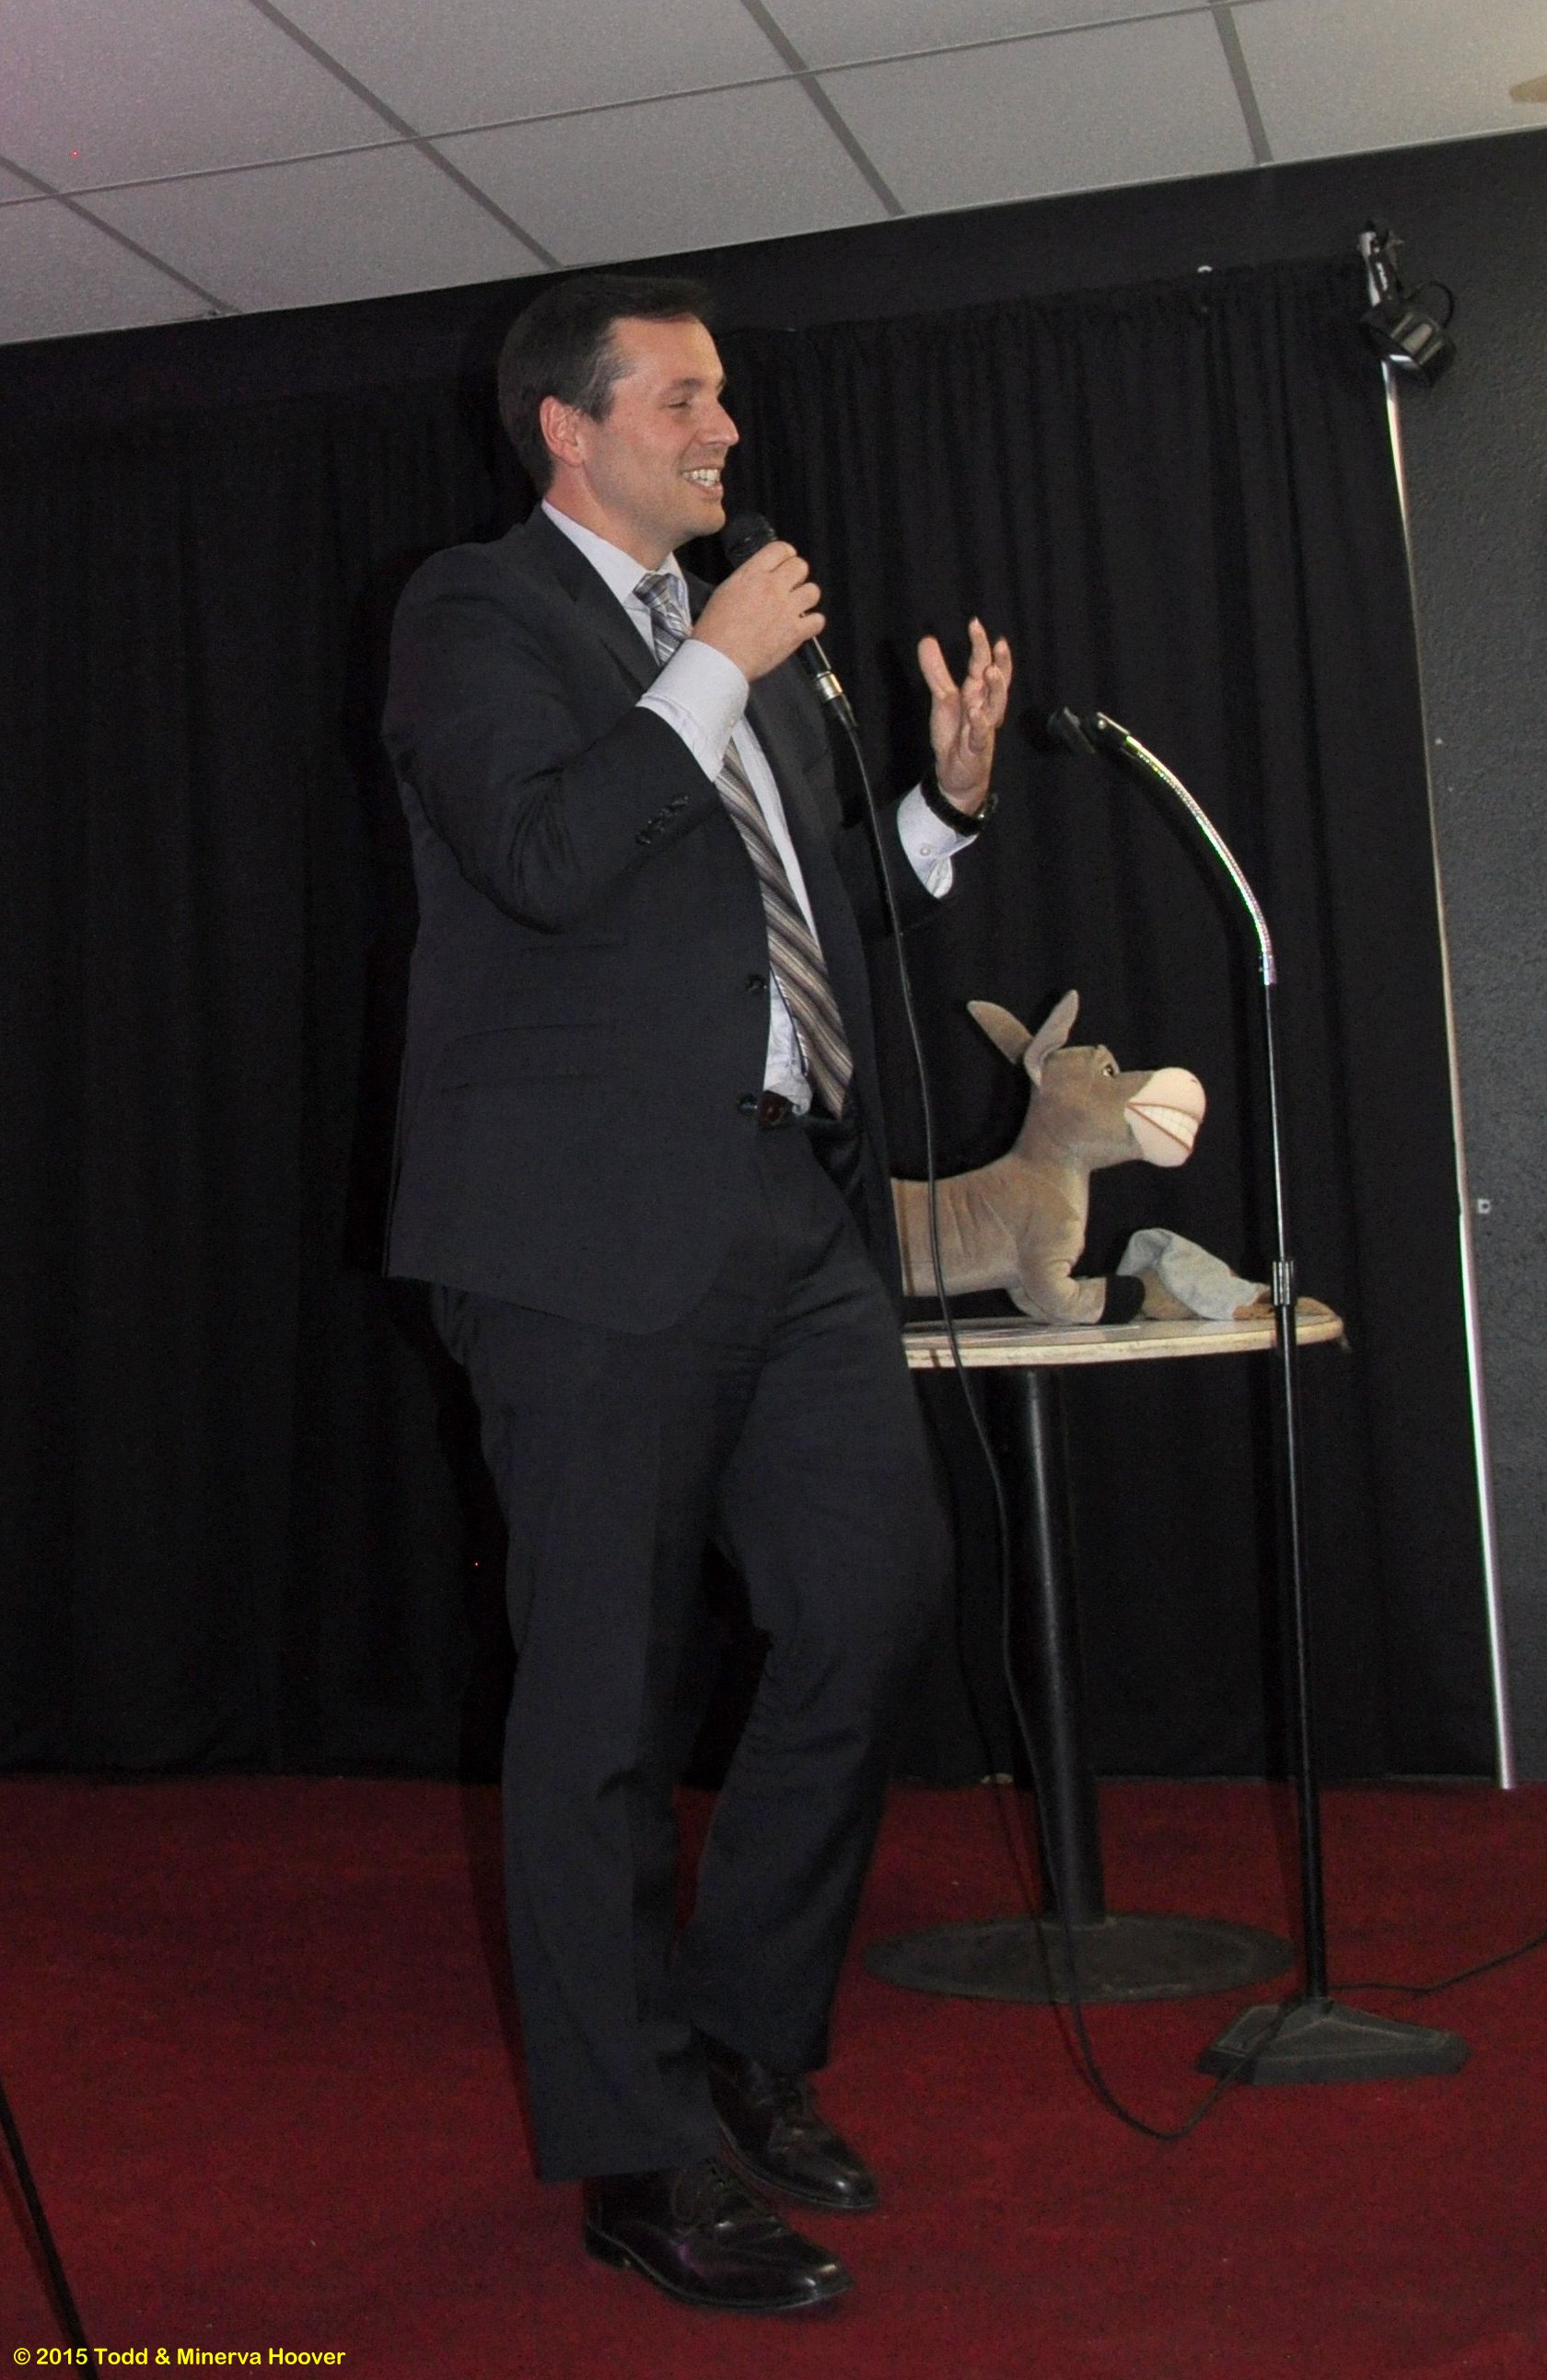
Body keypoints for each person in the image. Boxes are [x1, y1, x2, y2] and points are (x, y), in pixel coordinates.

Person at [382, 273, 1012, 2315]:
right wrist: (716, 667)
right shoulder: (480, 614)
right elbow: (547, 855)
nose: (723, 428)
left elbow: (812, 903)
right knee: (601, 1703)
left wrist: (941, 807)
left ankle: (741, 2035)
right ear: (568, 430)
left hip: (789, 1204)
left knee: (871, 1601)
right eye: (681, 398)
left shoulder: (747, 643)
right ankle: (637, 2152)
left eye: (725, 397)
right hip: (580, 1238)